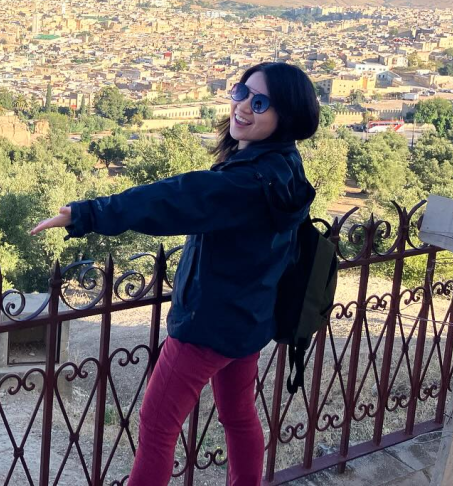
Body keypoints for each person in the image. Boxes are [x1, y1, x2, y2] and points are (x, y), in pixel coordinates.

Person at [31, 62, 319, 486]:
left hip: (208, 325)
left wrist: (87, 214)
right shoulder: (286, 166)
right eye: (241, 92)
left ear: (286, 117)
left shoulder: (245, 184)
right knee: (239, 415)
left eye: (259, 103)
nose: (242, 106)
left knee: (157, 425)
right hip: (251, 316)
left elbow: (172, 199)